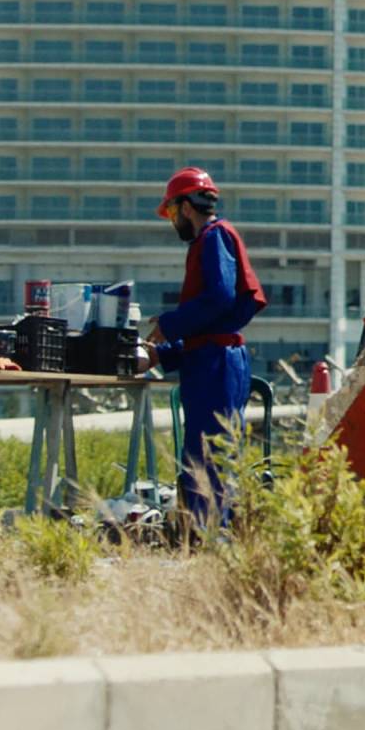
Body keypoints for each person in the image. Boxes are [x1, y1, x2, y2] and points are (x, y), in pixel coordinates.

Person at [147, 166, 268, 533]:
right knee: (202, 456)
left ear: (186, 207)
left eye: (171, 212)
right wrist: (162, 353)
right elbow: (207, 326)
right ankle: (202, 536)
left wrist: (167, 326)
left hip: (216, 364)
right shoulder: (211, 240)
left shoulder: (213, 237)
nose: (172, 221)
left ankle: (212, 539)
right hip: (209, 359)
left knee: (210, 458)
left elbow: (218, 299)